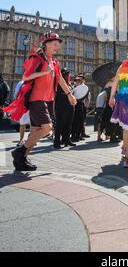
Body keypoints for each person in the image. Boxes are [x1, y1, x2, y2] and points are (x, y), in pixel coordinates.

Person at [7, 32, 77, 171]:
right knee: (47, 128)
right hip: (37, 99)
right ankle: (20, 150)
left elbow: (60, 79)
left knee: (35, 132)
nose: (57, 47)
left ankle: (21, 160)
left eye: (58, 44)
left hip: (49, 100)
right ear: (46, 44)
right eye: (55, 44)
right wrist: (44, 73)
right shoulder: (37, 58)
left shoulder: (54, 62)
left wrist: (70, 94)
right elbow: (26, 77)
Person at [54, 68, 76, 148]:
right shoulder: (60, 83)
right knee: (60, 124)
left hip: (70, 106)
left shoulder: (69, 84)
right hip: (61, 106)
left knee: (69, 124)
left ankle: (67, 140)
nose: (68, 76)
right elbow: (59, 95)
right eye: (67, 74)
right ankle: (57, 142)